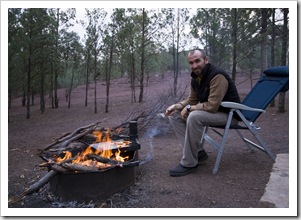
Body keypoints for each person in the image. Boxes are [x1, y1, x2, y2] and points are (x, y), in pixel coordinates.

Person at [165, 48, 241, 177]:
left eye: (197, 61)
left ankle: (189, 163)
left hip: (229, 114)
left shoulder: (217, 76)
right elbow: (192, 99)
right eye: (191, 63)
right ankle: (199, 153)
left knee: (194, 116)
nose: (194, 65)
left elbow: (212, 106)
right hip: (213, 112)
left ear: (206, 60)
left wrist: (189, 108)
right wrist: (177, 106)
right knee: (175, 115)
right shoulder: (196, 77)